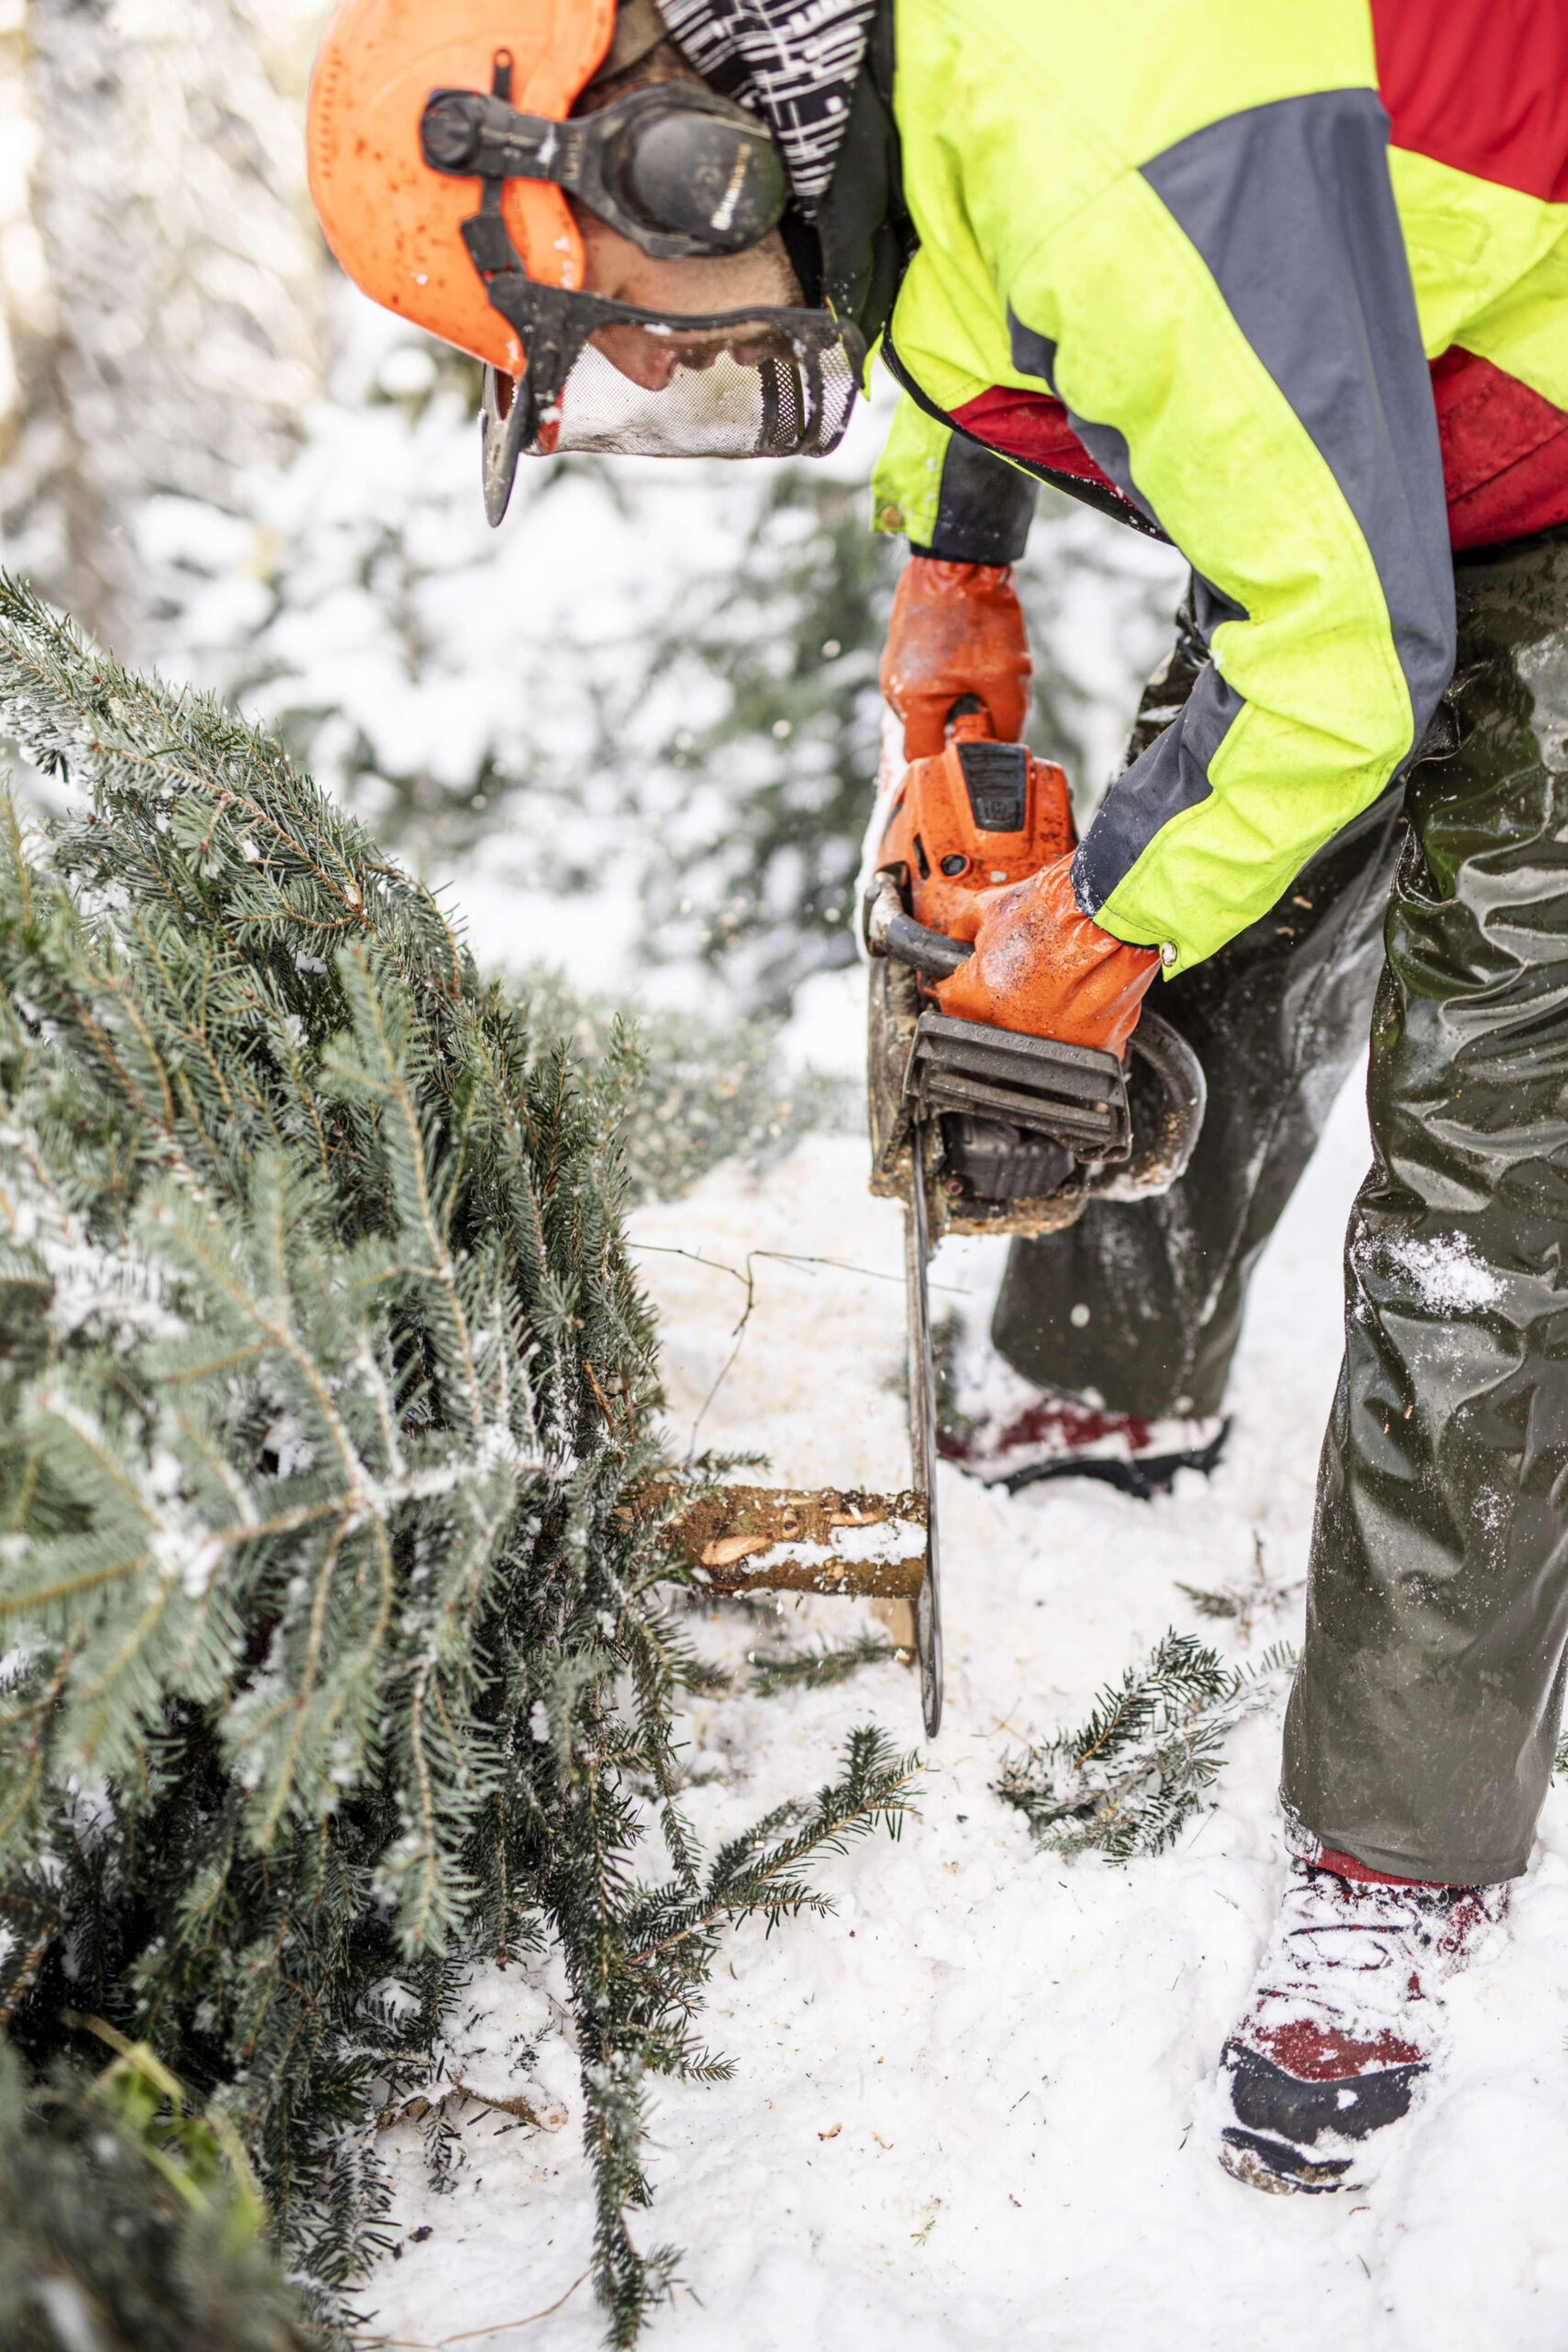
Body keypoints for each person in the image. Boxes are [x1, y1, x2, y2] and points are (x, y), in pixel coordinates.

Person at [308, 0, 1568, 2195]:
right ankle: (1101, 1381)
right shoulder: (881, 84)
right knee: (1201, 890)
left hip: (1525, 434)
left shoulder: (1103, 116)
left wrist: (1089, 931)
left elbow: (1345, 653)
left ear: (681, 156)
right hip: (1392, 411)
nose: (659, 365)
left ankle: (1397, 1853)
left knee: (1491, 1184)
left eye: (623, 322)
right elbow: (973, 265)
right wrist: (954, 544)